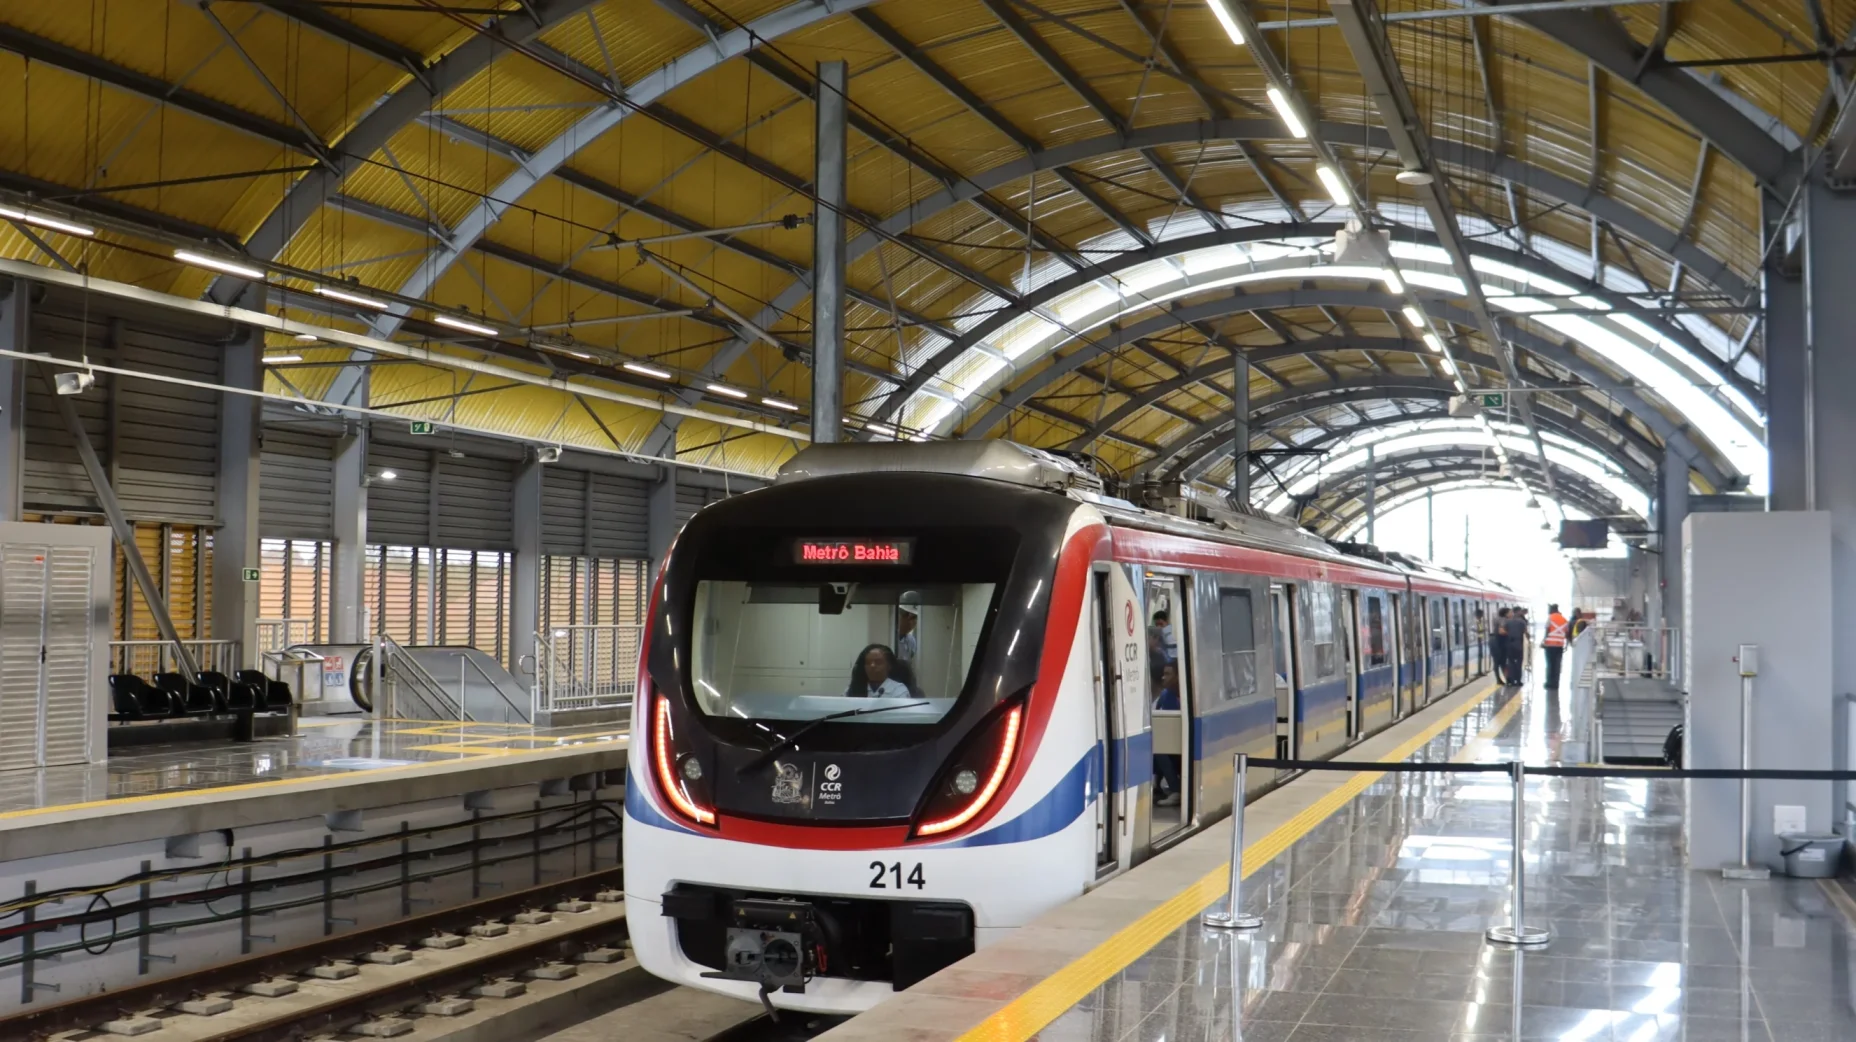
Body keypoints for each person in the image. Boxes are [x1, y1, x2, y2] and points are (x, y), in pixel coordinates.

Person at [1152, 662, 1182, 807]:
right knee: (1158, 747)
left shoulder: (1186, 695)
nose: (1164, 677)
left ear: (1178, 676)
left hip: (1183, 748)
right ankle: (1157, 786)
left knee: (1160, 750)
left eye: (1168, 674)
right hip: (1173, 744)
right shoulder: (1165, 695)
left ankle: (1176, 790)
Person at [1542, 603, 1570, 689]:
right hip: (1559, 646)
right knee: (1557, 665)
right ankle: (1556, 684)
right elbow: (1567, 633)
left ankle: (1549, 683)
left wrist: (1543, 642)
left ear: (1552, 609)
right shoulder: (1565, 620)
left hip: (1550, 645)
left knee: (1550, 664)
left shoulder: (1550, 618)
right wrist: (1567, 645)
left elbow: (1547, 631)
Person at [1500, 607, 1528, 685]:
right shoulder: (1522, 622)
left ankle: (1511, 681)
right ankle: (1518, 681)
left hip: (1509, 644)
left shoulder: (1507, 622)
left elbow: (1501, 631)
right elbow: (1526, 632)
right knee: (1519, 662)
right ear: (1519, 612)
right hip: (1518, 644)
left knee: (1511, 662)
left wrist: (1509, 634)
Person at [1491, 608, 1510, 682]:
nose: (1511, 614)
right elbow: (1501, 631)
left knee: (1496, 661)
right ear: (1505, 614)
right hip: (1500, 642)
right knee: (1503, 661)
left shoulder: (1496, 618)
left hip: (1494, 640)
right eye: (1510, 612)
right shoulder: (1503, 620)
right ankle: (1507, 679)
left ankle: (1499, 679)